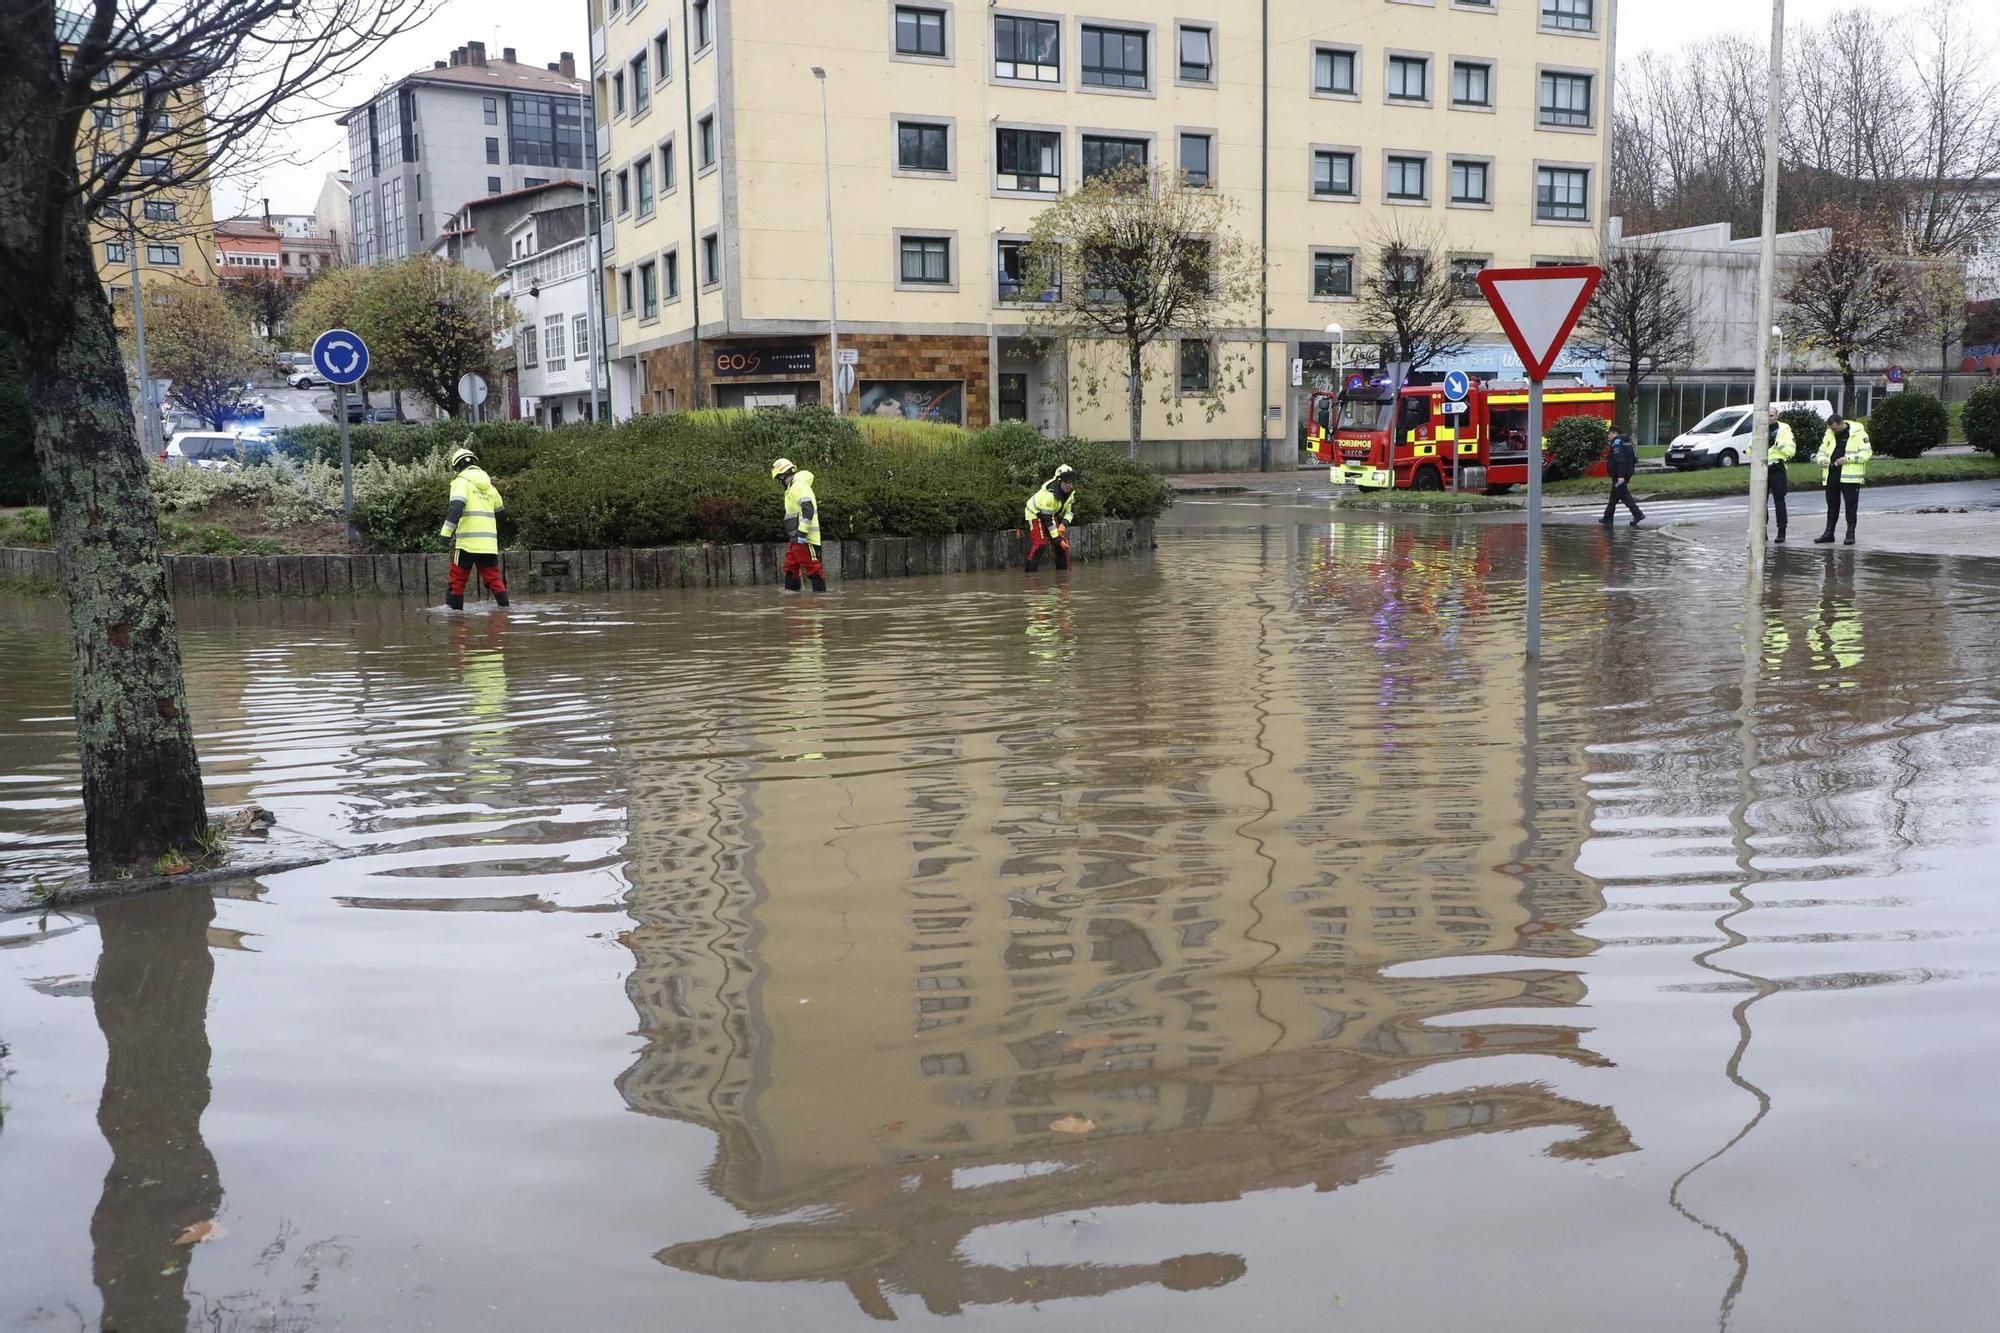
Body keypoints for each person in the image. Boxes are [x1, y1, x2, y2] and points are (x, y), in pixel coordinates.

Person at [439, 445, 508, 610]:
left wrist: (445, 535)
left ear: (457, 467)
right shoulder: (490, 487)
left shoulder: (460, 482)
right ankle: (505, 612)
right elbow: (502, 513)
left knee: (457, 581)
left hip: (466, 544)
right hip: (488, 545)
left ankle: (455, 621)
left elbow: (456, 508)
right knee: (494, 580)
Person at [1812, 411, 1871, 545]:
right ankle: (1829, 533)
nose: (1833, 431)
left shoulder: (1858, 433)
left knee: (1850, 505)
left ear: (1841, 423)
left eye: (1834, 428)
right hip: (1832, 473)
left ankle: (1850, 534)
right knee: (1832, 505)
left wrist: (1848, 459)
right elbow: (1821, 451)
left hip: (1850, 477)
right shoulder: (1829, 433)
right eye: (1831, 429)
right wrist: (1822, 460)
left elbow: (1866, 453)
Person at [771, 457, 827, 593]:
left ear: (784, 475)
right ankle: (792, 602)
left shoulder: (798, 486)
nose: (779, 482)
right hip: (796, 538)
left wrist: (802, 533)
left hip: (805, 538)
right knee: (790, 567)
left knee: (813, 569)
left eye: (779, 479)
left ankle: (820, 602)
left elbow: (808, 509)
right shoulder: (792, 488)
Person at [1024, 464, 1079, 573]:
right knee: (1040, 544)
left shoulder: (1070, 494)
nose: (1069, 485)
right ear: (1059, 481)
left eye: (1071, 482)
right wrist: (1057, 538)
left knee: (1062, 546)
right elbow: (1047, 520)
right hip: (1035, 514)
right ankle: (1030, 576)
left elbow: (1071, 511)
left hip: (1049, 515)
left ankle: (1062, 577)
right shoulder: (1049, 496)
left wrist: (1064, 524)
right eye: (1066, 482)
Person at [1599, 427, 1643, 526]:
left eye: (1609, 434)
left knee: (1624, 494)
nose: (1608, 436)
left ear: (1614, 433)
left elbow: (1620, 460)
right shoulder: (1626, 442)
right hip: (1624, 473)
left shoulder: (1617, 443)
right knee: (1615, 494)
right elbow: (1633, 459)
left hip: (1619, 475)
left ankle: (1638, 514)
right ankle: (1607, 517)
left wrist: (1621, 475)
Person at [1764, 416, 1797, 542]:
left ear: (1777, 416)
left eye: (1771, 415)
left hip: (1777, 468)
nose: (1769, 417)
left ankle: (1781, 531)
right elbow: (1750, 447)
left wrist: (1779, 445)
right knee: (1761, 502)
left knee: (1779, 501)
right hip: (1761, 468)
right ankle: (1762, 530)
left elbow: (1791, 451)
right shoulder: (1760, 428)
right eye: (1768, 415)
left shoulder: (1784, 431)